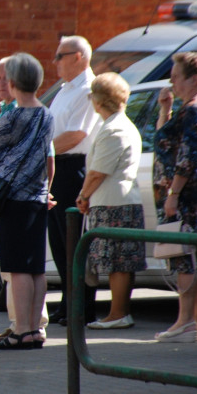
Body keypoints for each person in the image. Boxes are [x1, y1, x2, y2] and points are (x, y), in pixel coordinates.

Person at [0, 53, 54, 351]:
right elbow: (48, 158)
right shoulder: (47, 114)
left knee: (18, 269)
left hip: (12, 200)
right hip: (37, 197)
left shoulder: (11, 116)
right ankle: (35, 329)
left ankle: (21, 330)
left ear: (12, 83)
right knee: (36, 268)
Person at [152, 52, 197, 343]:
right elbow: (166, 140)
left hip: (188, 193)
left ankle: (184, 321)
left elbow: (186, 157)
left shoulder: (194, 110)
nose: (172, 82)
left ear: (193, 78)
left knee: (184, 257)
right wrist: (165, 109)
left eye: (176, 76)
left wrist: (173, 194)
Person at [75, 72, 146, 330]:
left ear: (99, 100)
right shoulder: (120, 125)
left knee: (118, 262)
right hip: (120, 200)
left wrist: (83, 196)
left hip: (114, 203)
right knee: (120, 261)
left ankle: (118, 314)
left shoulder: (114, 129)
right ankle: (119, 313)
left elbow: (97, 172)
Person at [47, 35, 101, 325]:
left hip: (72, 167)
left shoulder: (87, 89)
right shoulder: (66, 89)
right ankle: (69, 302)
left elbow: (76, 135)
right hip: (57, 167)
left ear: (78, 57)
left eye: (60, 55)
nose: (55, 61)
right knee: (58, 241)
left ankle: (82, 306)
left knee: (73, 241)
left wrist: (42, 150)